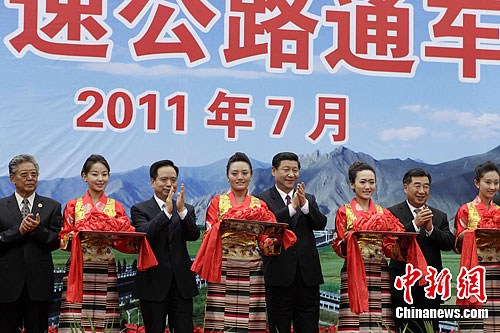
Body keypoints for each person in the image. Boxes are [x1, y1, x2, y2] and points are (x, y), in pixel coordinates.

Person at [191, 152, 273, 333]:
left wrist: (269, 242)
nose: (240, 177)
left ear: (251, 176)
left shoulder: (260, 204)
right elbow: (209, 233)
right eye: (235, 173)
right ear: (227, 176)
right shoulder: (217, 202)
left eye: (244, 173)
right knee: (220, 317)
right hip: (223, 264)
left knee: (251, 318)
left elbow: (264, 236)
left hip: (252, 265)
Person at [332, 161, 409, 333]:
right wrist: (346, 241)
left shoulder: (384, 213)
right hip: (353, 270)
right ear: (352, 184)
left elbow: (389, 248)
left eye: (371, 182)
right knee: (353, 319)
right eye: (363, 182)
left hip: (379, 270)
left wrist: (403, 243)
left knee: (379, 318)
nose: (368, 186)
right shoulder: (344, 212)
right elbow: (338, 246)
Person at [255, 152, 327, 333]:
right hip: (278, 275)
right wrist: (292, 208)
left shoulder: (308, 198)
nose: (291, 174)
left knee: (309, 327)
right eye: (286, 169)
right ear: (274, 171)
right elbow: (267, 226)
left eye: (295, 170)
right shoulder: (262, 199)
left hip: (308, 276)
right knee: (279, 327)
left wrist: (304, 207)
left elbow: (320, 223)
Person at [58, 154, 129, 333]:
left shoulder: (116, 206)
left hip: (106, 265)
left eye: (104, 174)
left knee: (105, 316)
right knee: (76, 315)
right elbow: (63, 239)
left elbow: (123, 239)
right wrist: (75, 236)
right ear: (84, 176)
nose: (100, 179)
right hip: (79, 266)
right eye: (95, 174)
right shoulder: (73, 206)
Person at [130, 160, 200, 333]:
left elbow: (193, 235)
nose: (169, 184)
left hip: (182, 283)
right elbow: (145, 234)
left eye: (173, 179)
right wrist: (166, 213)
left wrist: (181, 211)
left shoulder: (186, 208)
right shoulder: (139, 209)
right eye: (164, 179)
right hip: (152, 283)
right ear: (152, 182)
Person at [0, 154, 62, 333]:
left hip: (39, 286)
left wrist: (36, 230)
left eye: (34, 174)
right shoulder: (1, 207)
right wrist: (18, 232)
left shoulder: (52, 206)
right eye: (24, 174)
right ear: (12, 178)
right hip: (6, 286)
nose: (30, 178)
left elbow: (57, 241)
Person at [388, 168, 454, 333]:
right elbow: (391, 243)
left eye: (426, 186)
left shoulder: (439, 216)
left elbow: (448, 243)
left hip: (431, 287)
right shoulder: (391, 213)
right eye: (417, 186)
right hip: (402, 284)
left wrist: (431, 228)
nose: (422, 191)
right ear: (405, 187)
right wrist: (415, 225)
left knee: (429, 329)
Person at [454, 161, 500, 333]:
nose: (493, 186)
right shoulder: (466, 210)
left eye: (496, 182)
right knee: (475, 321)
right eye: (488, 182)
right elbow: (457, 242)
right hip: (475, 270)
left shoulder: (499, 211)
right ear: (477, 183)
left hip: (497, 271)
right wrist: (473, 233)